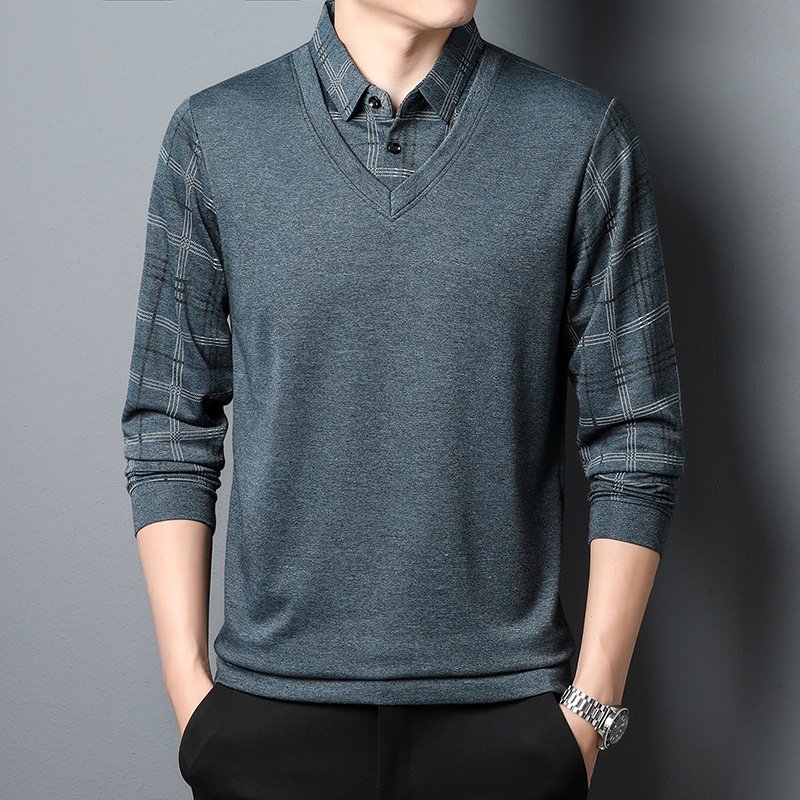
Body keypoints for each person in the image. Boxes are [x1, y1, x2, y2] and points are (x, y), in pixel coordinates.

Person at [120, 0, 685, 797]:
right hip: (269, 719)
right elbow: (170, 419)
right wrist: (191, 694)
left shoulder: (582, 139)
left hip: (508, 723)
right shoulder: (216, 136)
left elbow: (636, 433)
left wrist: (589, 711)